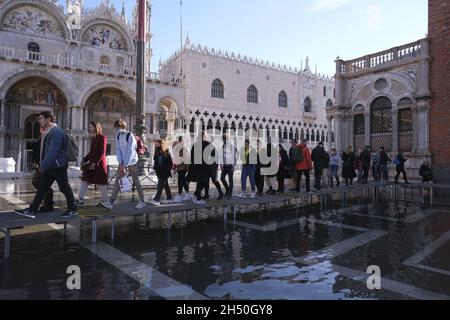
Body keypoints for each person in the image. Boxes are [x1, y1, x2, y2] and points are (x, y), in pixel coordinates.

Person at [15, 111, 77, 218]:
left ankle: (72, 208)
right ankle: (32, 210)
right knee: (42, 188)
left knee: (64, 187)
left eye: (41, 118)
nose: (39, 120)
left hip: (57, 166)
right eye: (39, 118)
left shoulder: (56, 132)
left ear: (49, 119)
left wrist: (42, 167)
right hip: (50, 166)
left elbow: (52, 152)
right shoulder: (47, 131)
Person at [100, 120, 146, 210]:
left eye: (118, 127)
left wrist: (124, 165)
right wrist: (120, 163)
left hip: (132, 161)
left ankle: (142, 201)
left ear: (122, 127)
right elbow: (118, 150)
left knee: (135, 181)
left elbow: (130, 151)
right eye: (115, 127)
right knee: (117, 180)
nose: (116, 129)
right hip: (123, 162)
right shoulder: (117, 136)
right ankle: (111, 202)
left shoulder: (130, 136)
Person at [76, 122, 109, 207]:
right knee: (84, 179)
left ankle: (105, 201)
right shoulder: (94, 138)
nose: (89, 128)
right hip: (91, 164)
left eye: (91, 127)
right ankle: (80, 199)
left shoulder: (102, 137)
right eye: (89, 126)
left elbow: (102, 152)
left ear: (96, 127)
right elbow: (92, 152)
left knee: (101, 183)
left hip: (99, 165)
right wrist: (85, 158)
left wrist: (95, 163)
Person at [30, 127, 54, 213]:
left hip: (45, 165)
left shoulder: (48, 138)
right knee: (37, 182)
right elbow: (37, 150)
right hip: (39, 165)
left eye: (43, 128)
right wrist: (35, 162)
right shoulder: (42, 138)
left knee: (38, 182)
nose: (40, 129)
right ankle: (48, 203)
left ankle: (47, 203)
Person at [150, 139, 173, 206]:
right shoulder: (156, 152)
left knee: (160, 185)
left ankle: (156, 199)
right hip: (159, 172)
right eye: (156, 144)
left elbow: (170, 163)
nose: (156, 145)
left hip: (165, 172)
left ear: (161, 144)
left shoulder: (166, 152)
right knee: (165, 185)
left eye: (158, 144)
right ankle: (169, 197)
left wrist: (168, 169)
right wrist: (155, 168)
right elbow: (155, 162)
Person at [190, 131, 211, 205]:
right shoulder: (207, 144)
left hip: (196, 166)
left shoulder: (195, 144)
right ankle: (197, 196)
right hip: (204, 166)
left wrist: (192, 165)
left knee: (200, 182)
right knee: (203, 182)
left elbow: (191, 156)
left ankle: (197, 196)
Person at [172, 136, 191, 203]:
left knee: (181, 179)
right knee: (182, 180)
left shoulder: (184, 147)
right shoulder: (180, 147)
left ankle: (180, 195)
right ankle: (187, 194)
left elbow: (186, 158)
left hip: (183, 166)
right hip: (180, 166)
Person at [220, 133, 237, 199]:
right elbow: (221, 155)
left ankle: (229, 193)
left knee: (230, 180)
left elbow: (234, 157)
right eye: (223, 139)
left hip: (230, 165)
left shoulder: (231, 146)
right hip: (224, 165)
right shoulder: (223, 146)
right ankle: (228, 190)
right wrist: (221, 164)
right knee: (222, 178)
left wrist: (233, 166)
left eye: (225, 139)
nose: (224, 141)